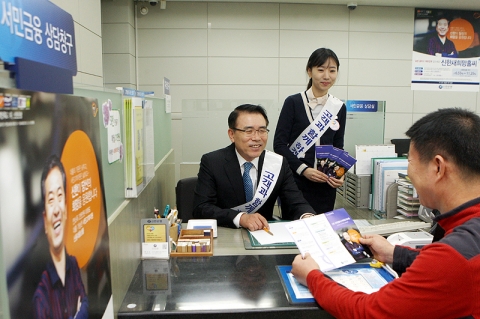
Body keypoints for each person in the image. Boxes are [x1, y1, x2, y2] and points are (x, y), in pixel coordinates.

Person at [291, 108, 480, 318]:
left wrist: (312, 276)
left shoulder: (452, 257)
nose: (407, 172)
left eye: (409, 161)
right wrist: (394, 254)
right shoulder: (465, 238)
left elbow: (368, 312)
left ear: (438, 167)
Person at [192, 104, 315, 231]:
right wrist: (241, 218)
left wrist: (307, 216)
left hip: (264, 235)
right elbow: (202, 208)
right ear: (232, 135)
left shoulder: (277, 163)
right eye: (248, 131)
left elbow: (295, 202)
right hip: (227, 233)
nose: (256, 138)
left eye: (262, 130)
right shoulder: (212, 162)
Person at [274, 48, 347, 216]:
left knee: (321, 232)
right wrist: (303, 169)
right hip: (295, 182)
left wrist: (339, 173)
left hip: (325, 185)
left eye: (332, 70)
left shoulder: (339, 107)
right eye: (320, 70)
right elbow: (279, 145)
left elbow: (338, 145)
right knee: (294, 230)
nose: (326, 76)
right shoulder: (293, 102)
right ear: (309, 71)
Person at [33, 155, 88, 319]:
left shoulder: (73, 265)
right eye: (50, 200)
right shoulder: (41, 297)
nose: (56, 209)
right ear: (44, 220)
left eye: (60, 196)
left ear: (66, 209)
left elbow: (86, 304)